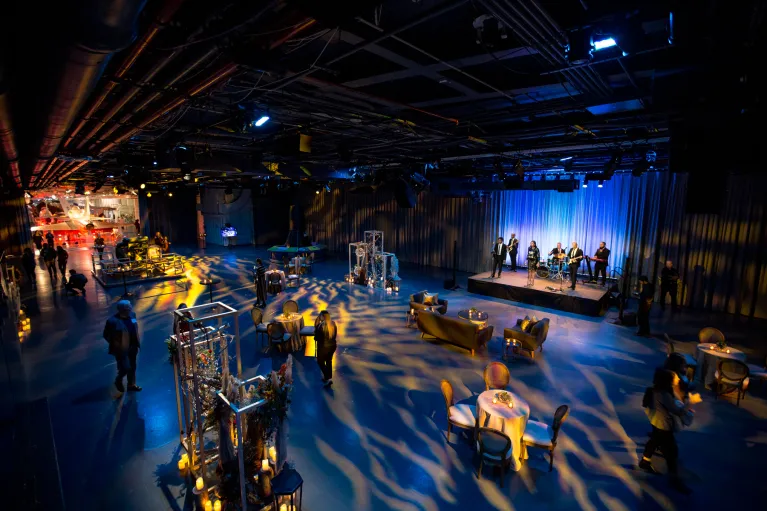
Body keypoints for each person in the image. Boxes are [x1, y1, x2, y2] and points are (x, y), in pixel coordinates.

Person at [639, 368, 693, 494]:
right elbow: (677, 411)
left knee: (654, 440)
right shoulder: (663, 394)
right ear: (667, 381)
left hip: (655, 422)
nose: (677, 379)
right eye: (674, 378)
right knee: (672, 453)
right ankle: (674, 480)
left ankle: (645, 461)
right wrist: (689, 405)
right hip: (664, 425)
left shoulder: (654, 390)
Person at [103, 300, 142, 392]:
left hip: (133, 346)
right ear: (122, 310)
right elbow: (106, 335)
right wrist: (116, 344)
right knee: (125, 368)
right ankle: (118, 380)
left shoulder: (133, 315)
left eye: (130, 308)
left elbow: (134, 326)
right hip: (121, 350)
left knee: (132, 366)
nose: (130, 310)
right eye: (128, 309)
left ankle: (131, 384)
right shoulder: (112, 321)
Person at [315, 310, 338, 386]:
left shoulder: (320, 326)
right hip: (332, 346)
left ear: (322, 317)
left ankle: (327, 377)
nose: (319, 317)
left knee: (320, 362)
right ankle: (328, 378)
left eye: (320, 315)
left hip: (323, 347)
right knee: (328, 361)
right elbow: (334, 336)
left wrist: (317, 325)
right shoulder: (333, 323)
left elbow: (317, 338)